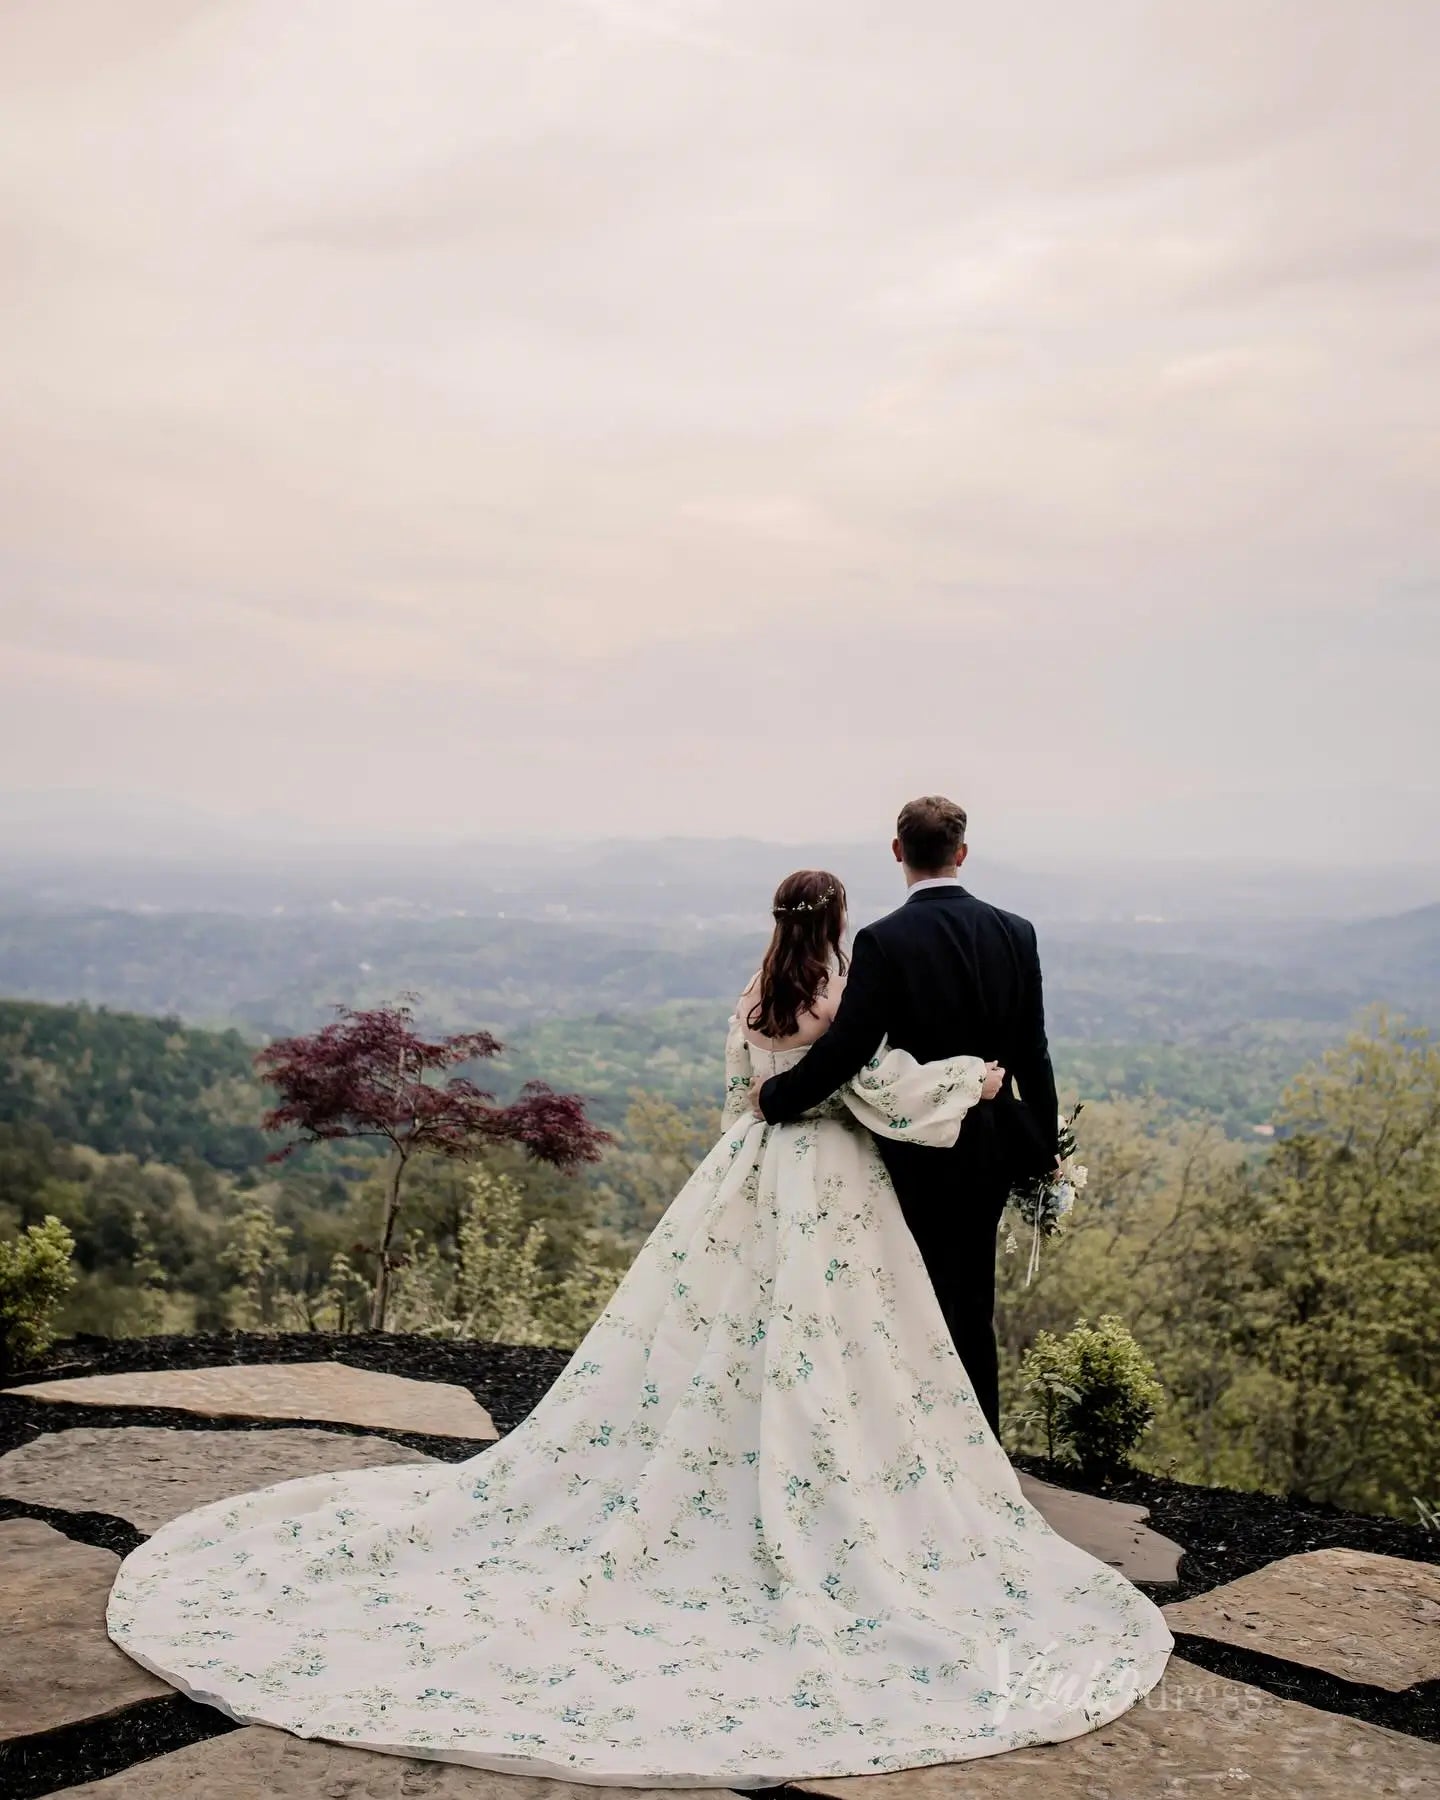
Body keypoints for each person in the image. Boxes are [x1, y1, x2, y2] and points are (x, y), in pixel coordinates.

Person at [107, 862, 1170, 1788]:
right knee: (849, 1345)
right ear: (838, 923)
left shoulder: (752, 992)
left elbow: (742, 1096)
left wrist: (765, 1119)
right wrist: (973, 1082)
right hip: (835, 1184)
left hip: (746, 1178)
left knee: (719, 1337)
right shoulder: (844, 994)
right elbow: (871, 1088)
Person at [754, 797, 1057, 1435]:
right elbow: (1033, 1048)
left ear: (898, 852)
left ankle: (912, 1440)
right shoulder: (1016, 931)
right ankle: (980, 1445)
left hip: (915, 1145)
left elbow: (849, 1048)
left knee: (906, 1293)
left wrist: (780, 1100)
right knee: (972, 1298)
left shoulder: (884, 940)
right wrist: (1043, 1144)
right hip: (991, 1143)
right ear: (962, 853)